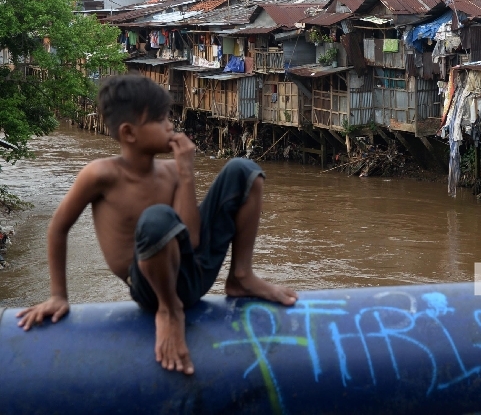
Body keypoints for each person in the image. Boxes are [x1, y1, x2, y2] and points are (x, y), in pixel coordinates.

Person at [17, 74, 297, 375]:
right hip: (150, 287)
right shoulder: (100, 175)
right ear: (129, 133)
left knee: (244, 170)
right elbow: (58, 227)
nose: (171, 125)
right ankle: (169, 309)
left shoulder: (172, 172)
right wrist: (58, 295)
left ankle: (241, 275)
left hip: (193, 271)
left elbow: (190, 240)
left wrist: (187, 173)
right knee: (156, 218)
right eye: (161, 119)